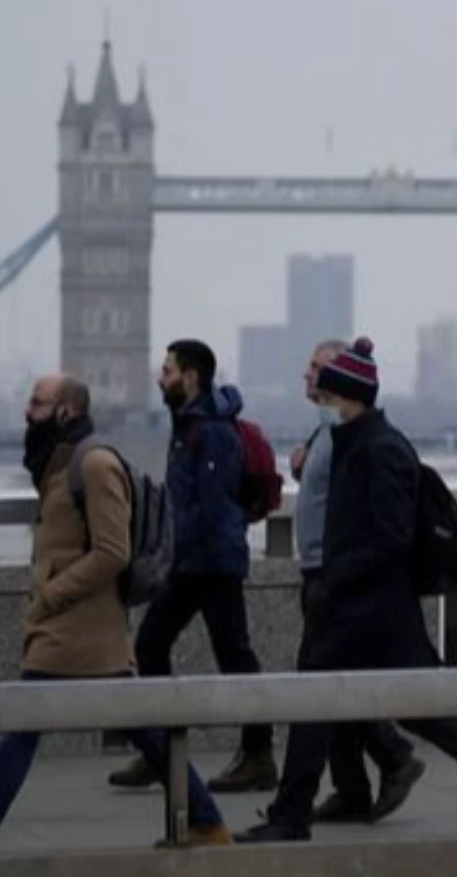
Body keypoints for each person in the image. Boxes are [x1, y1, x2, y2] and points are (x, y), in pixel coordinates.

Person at [0, 375, 229, 855]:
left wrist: (51, 594)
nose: (26, 412)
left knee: (27, 728)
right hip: (76, 629)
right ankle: (206, 821)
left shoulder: (94, 464)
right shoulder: (59, 466)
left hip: (80, 628)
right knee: (141, 728)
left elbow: (113, 551)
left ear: (65, 412)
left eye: (36, 403)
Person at [237, 338, 457, 843]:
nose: (322, 403)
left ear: (347, 396)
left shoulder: (380, 450)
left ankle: (291, 816)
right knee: (420, 711)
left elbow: (391, 538)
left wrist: (335, 577)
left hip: (364, 607)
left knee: (314, 702)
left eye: (328, 394)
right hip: (370, 606)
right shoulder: (357, 443)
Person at [110, 340, 276, 794]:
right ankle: (161, 750)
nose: (159, 378)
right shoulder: (188, 425)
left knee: (234, 655)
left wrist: (174, 553)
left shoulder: (212, 432)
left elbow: (212, 503)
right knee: (152, 644)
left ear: (191, 376)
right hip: (191, 561)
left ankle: (259, 756)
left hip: (212, 562)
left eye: (167, 371)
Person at [291, 339, 424, 824]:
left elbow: (386, 529)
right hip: (324, 572)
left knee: (324, 685)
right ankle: (351, 788)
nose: (307, 376)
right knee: (331, 684)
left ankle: (391, 757)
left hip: (337, 577)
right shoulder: (329, 431)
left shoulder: (361, 438)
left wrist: (335, 575)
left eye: (315, 368)